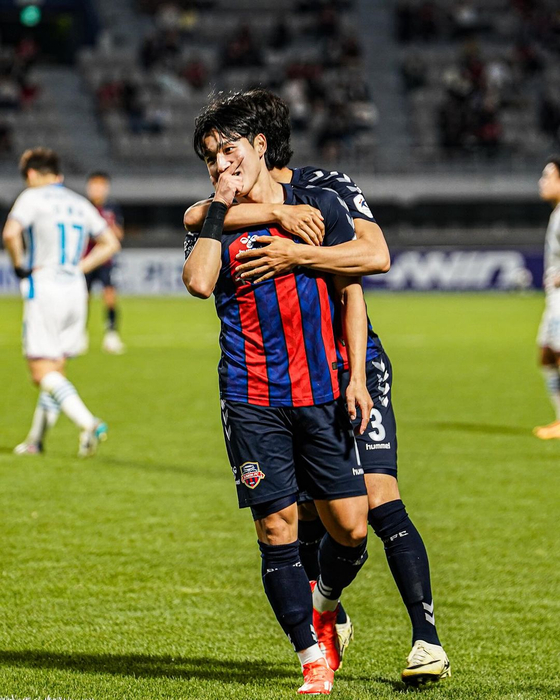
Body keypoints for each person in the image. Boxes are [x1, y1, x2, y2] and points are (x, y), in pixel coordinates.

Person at [184, 89, 450, 687]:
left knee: (356, 520)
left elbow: (362, 271)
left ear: (259, 144)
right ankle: (314, 653)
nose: (220, 165)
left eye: (229, 150)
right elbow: (198, 273)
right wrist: (236, 211)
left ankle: (339, 607)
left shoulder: (321, 199)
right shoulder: (213, 216)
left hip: (331, 383)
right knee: (285, 524)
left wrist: (355, 372)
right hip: (254, 394)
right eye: (210, 157)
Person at [3, 148, 120, 457]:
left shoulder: (32, 197)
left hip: (45, 286)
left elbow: (11, 233)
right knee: (56, 369)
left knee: (41, 372)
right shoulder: (78, 202)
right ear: (59, 175)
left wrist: (19, 267)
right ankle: (36, 442)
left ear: (30, 175)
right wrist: (80, 268)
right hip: (75, 290)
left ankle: (89, 422)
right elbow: (111, 243)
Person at [84, 171, 125, 354]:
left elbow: (119, 235)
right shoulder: (83, 207)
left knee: (109, 296)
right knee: (82, 299)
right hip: (86, 260)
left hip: (105, 260)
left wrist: (106, 228)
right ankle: (79, 335)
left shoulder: (112, 208)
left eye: (101, 185)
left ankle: (111, 335)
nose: (97, 189)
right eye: (94, 185)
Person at [534, 156, 560, 439]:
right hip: (554, 299)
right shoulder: (557, 213)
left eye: (547, 176)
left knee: (556, 354)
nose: (542, 182)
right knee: (547, 356)